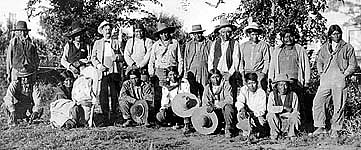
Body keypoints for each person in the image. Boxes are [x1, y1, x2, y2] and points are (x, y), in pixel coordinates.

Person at [312, 25, 357, 137]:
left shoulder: (347, 47)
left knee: (339, 104)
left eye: (338, 33)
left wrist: (345, 74)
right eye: (334, 34)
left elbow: (353, 64)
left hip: (339, 78)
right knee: (318, 102)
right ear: (330, 35)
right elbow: (319, 61)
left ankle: (336, 129)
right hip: (326, 78)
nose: (336, 36)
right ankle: (320, 126)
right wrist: (321, 73)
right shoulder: (324, 47)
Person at [91, 21, 124, 125]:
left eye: (109, 30)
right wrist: (99, 66)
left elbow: (123, 56)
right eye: (106, 30)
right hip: (103, 72)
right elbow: (93, 57)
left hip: (114, 71)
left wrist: (118, 57)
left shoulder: (117, 42)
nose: (108, 31)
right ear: (102, 31)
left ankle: (114, 117)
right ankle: (105, 117)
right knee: (103, 95)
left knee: (115, 94)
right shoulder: (97, 43)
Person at [156, 66, 191, 133]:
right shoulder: (166, 86)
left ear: (177, 74)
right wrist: (164, 108)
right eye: (170, 75)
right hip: (172, 106)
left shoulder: (184, 82)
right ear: (168, 76)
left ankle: (186, 124)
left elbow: (187, 95)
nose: (173, 76)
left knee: (185, 105)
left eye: (174, 74)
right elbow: (164, 99)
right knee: (160, 116)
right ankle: (173, 121)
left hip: (183, 105)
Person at [202, 69, 236, 137]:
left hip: (223, 109)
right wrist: (208, 106)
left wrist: (217, 105)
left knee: (228, 107)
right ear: (210, 78)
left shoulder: (226, 85)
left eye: (217, 77)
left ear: (220, 77)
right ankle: (215, 126)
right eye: (213, 77)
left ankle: (228, 128)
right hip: (213, 112)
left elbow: (229, 99)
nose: (215, 79)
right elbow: (205, 101)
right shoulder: (208, 88)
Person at [148, 22, 183, 86]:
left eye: (165, 32)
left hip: (172, 71)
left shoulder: (175, 43)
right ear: (159, 35)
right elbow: (151, 60)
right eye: (161, 33)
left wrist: (180, 72)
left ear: (169, 32)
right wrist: (151, 73)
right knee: (160, 91)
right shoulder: (155, 45)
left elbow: (180, 59)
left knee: (173, 90)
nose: (164, 35)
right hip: (160, 71)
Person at [267, 74, 300, 140]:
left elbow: (295, 110)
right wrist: (283, 108)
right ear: (277, 86)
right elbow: (270, 108)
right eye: (281, 85)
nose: (283, 87)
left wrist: (289, 114)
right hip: (278, 119)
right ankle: (275, 135)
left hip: (289, 119)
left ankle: (291, 135)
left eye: (285, 85)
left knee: (295, 115)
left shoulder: (293, 95)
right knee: (270, 115)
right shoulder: (272, 95)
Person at [238, 22, 270, 91]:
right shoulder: (243, 46)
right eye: (252, 34)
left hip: (259, 72)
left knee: (260, 92)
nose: (255, 37)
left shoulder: (263, 45)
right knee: (246, 92)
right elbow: (241, 61)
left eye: (256, 34)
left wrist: (263, 74)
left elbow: (267, 60)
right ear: (248, 34)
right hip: (247, 73)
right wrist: (243, 75)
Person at [235, 72, 267, 137]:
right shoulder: (243, 89)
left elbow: (262, 109)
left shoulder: (261, 92)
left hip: (257, 115)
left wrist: (253, 114)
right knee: (240, 114)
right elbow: (239, 101)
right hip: (247, 114)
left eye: (254, 83)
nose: (252, 86)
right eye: (249, 83)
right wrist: (242, 108)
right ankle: (247, 131)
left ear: (257, 83)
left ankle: (257, 131)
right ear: (246, 84)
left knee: (261, 123)